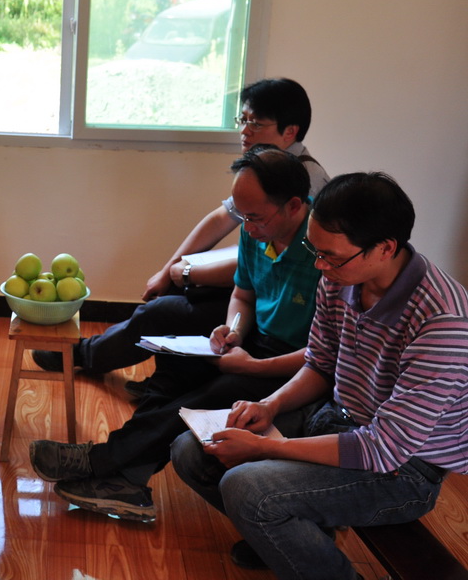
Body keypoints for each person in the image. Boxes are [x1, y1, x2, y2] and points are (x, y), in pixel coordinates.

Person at [171, 172, 468, 580]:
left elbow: (383, 448)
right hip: (336, 419)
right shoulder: (342, 278)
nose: (320, 266)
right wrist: (268, 406)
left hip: (405, 470)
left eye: (331, 256)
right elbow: (321, 363)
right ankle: (293, 534)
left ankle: (288, 531)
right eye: (314, 249)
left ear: (385, 248)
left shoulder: (443, 322)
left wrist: (268, 448)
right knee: (191, 450)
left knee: (248, 490)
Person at [29, 145, 323, 522]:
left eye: (255, 218)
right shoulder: (258, 232)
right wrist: (233, 330)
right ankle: (127, 480)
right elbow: (244, 294)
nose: (247, 229)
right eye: (242, 216)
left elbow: (325, 356)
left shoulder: (323, 251)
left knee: (207, 396)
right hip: (257, 342)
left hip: (295, 367)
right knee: (175, 364)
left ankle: (99, 461)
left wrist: (252, 366)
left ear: (294, 206)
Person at [33, 79, 329, 390]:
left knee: (166, 309)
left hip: (275, 317)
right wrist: (170, 270)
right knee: (170, 299)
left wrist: (187, 272)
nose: (245, 130)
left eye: (256, 123)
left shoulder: (302, 182)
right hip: (254, 297)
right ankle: (133, 373)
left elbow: (265, 268)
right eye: (242, 120)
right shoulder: (261, 169)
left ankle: (93, 358)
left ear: (289, 131)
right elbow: (221, 220)